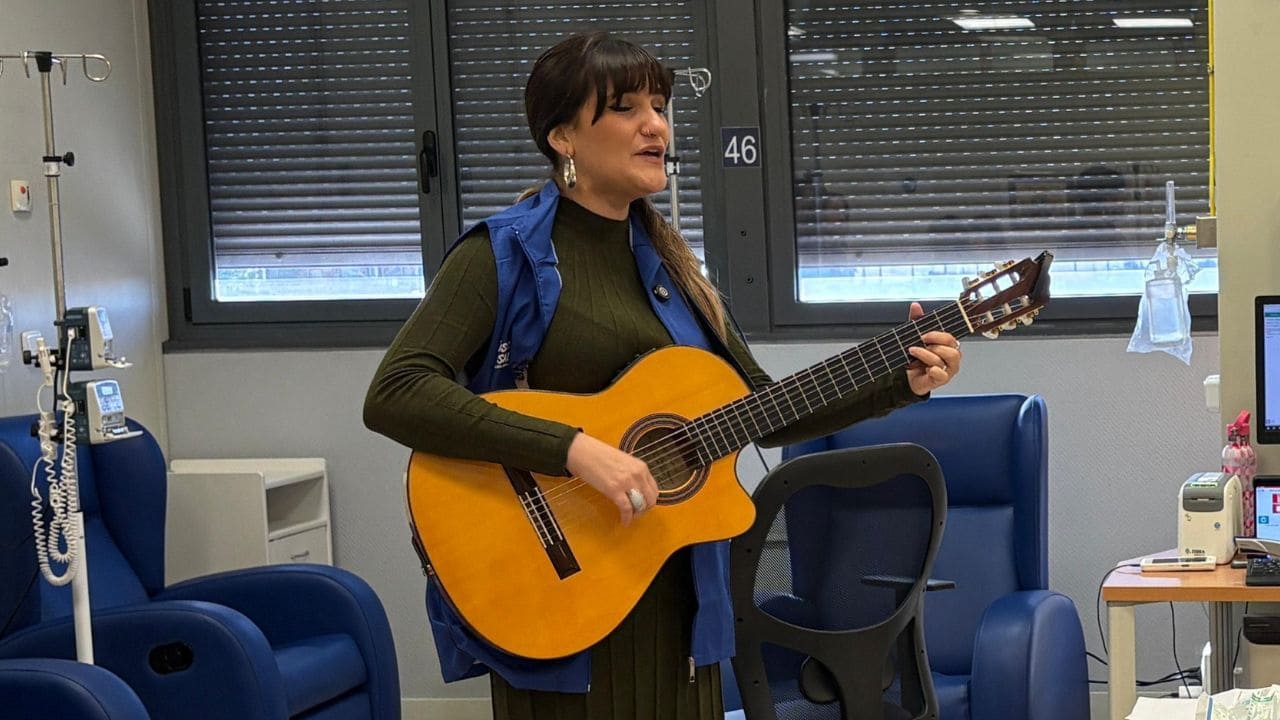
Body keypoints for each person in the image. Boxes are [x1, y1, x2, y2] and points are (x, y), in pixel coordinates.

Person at [363, 31, 962, 720]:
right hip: (558, 590)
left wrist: (899, 382)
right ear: (563, 136)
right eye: (624, 107)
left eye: (660, 104)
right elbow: (398, 391)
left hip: (678, 600)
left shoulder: (674, 265)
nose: (656, 124)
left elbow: (762, 408)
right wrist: (575, 450)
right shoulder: (502, 255)